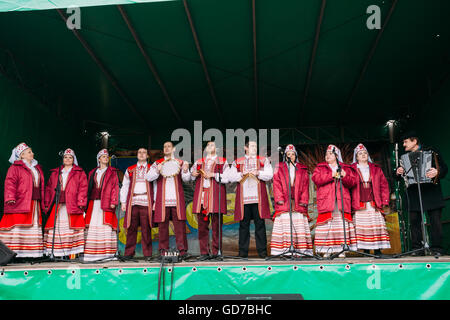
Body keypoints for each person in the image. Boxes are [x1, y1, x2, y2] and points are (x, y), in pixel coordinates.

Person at [396, 131, 448, 256]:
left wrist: (437, 172)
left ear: (414, 141)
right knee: (414, 221)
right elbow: (398, 176)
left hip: (431, 192)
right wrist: (398, 171)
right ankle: (417, 249)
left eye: (406, 141)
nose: (404, 145)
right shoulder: (404, 158)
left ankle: (437, 249)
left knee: (435, 220)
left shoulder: (432, 151)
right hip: (414, 192)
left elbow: (444, 169)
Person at [145, 141, 191, 260]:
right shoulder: (157, 163)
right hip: (162, 199)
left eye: (169, 146)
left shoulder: (180, 162)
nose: (166, 148)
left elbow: (186, 179)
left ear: (173, 149)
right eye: (164, 146)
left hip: (177, 199)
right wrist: (156, 170)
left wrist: (185, 170)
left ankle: (182, 251)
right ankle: (163, 251)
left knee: (180, 226)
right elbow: (149, 177)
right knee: (163, 227)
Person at [228, 141, 273, 259]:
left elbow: (270, 174)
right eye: (252, 146)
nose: (254, 148)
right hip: (244, 199)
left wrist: (258, 172)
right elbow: (230, 177)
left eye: (255, 146)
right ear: (245, 148)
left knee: (260, 225)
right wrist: (242, 174)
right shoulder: (238, 162)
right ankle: (242, 254)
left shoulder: (263, 160)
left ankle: (262, 253)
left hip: (258, 198)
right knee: (243, 226)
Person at [0, 143, 45, 260]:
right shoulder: (15, 168)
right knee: (19, 226)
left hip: (34, 202)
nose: (32, 153)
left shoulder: (36, 167)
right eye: (29, 152)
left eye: (31, 151)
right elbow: (10, 182)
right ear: (22, 155)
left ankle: (31, 254)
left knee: (32, 226)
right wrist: (10, 197)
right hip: (20, 201)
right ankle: (15, 254)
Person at [312, 144, 357, 258]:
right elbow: (316, 179)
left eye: (330, 153)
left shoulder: (345, 168)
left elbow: (352, 182)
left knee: (340, 225)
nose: (327, 156)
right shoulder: (320, 167)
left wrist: (345, 175)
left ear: (337, 155)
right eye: (326, 154)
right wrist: (331, 174)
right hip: (327, 200)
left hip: (341, 201)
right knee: (327, 225)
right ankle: (327, 249)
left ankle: (342, 249)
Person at [44, 148, 87, 259]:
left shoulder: (79, 172)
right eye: (65, 157)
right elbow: (49, 188)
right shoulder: (56, 172)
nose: (67, 159)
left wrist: (80, 201)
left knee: (70, 228)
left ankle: (69, 253)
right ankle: (58, 253)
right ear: (62, 159)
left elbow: (83, 187)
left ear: (73, 159)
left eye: (70, 157)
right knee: (57, 227)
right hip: (58, 203)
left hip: (72, 204)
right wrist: (47, 202)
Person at [271, 144, 313, 257]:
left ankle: (300, 251)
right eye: (288, 154)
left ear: (296, 156)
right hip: (285, 202)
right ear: (285, 156)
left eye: (292, 154)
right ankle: (284, 251)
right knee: (286, 225)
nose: (290, 156)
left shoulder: (302, 169)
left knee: (298, 224)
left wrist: (304, 200)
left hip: (298, 203)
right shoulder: (279, 167)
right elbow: (276, 184)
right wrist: (279, 199)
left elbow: (305, 186)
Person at [191, 141, 230, 260]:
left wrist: (212, 174)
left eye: (212, 145)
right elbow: (190, 176)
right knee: (202, 226)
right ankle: (204, 252)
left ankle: (216, 252)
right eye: (208, 145)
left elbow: (227, 178)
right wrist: (193, 173)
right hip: (202, 196)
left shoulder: (222, 161)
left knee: (216, 225)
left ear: (216, 149)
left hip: (215, 196)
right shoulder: (199, 161)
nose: (209, 147)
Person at [351, 143, 391, 257]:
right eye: (360, 153)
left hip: (374, 202)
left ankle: (378, 250)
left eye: (365, 153)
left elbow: (384, 185)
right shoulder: (351, 169)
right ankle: (366, 251)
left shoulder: (375, 169)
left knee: (375, 226)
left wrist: (385, 201)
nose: (363, 155)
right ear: (356, 157)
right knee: (363, 228)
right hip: (360, 204)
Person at [84, 149, 120, 262]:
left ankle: (107, 254)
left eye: (106, 156)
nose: (105, 158)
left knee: (106, 226)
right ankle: (92, 255)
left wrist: (114, 201)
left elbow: (115, 187)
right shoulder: (93, 172)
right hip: (94, 203)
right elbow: (88, 188)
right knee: (93, 225)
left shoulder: (112, 172)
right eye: (103, 156)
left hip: (106, 202)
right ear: (99, 159)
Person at [119, 148, 154, 260]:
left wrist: (155, 202)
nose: (142, 154)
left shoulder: (152, 169)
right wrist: (123, 202)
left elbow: (157, 186)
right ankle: (129, 254)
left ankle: (147, 254)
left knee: (146, 229)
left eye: (144, 152)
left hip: (146, 201)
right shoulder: (130, 169)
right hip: (133, 202)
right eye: (139, 152)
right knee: (131, 228)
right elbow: (125, 185)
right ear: (137, 155)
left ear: (147, 155)